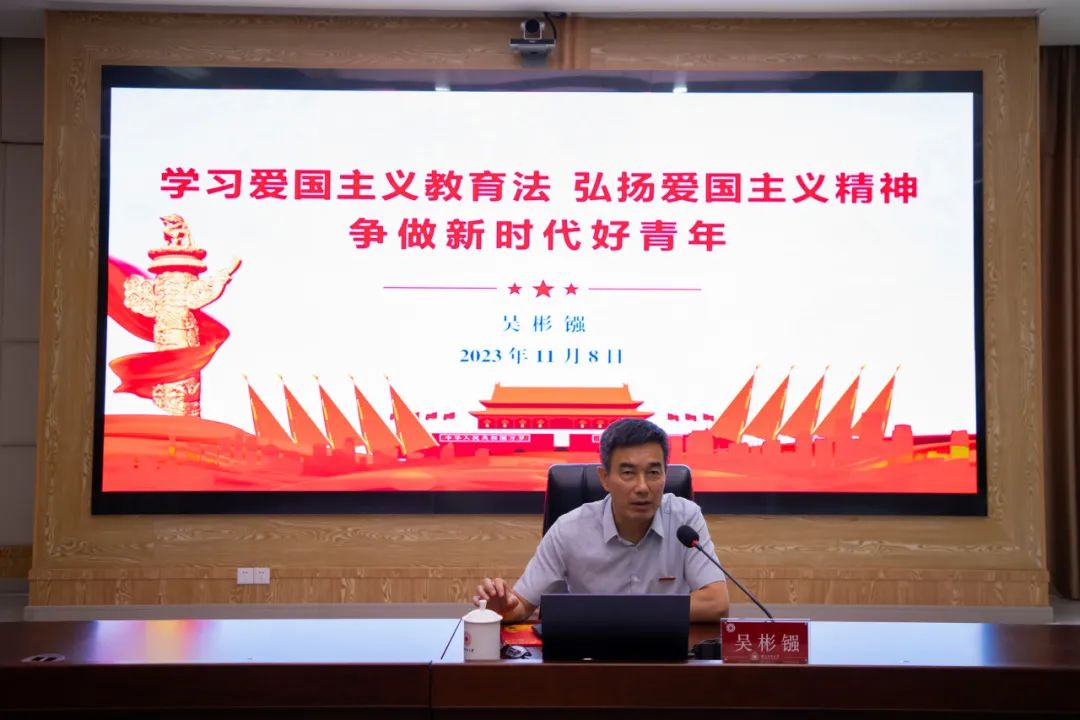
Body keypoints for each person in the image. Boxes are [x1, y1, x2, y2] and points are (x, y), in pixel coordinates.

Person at [475, 418, 730, 623]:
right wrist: (503, 608)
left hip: (668, 658)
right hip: (589, 659)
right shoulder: (569, 529)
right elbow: (521, 606)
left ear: (665, 474)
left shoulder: (685, 519)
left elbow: (717, 603)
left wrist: (612, 614)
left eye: (653, 472)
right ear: (604, 478)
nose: (643, 487)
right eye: (628, 473)